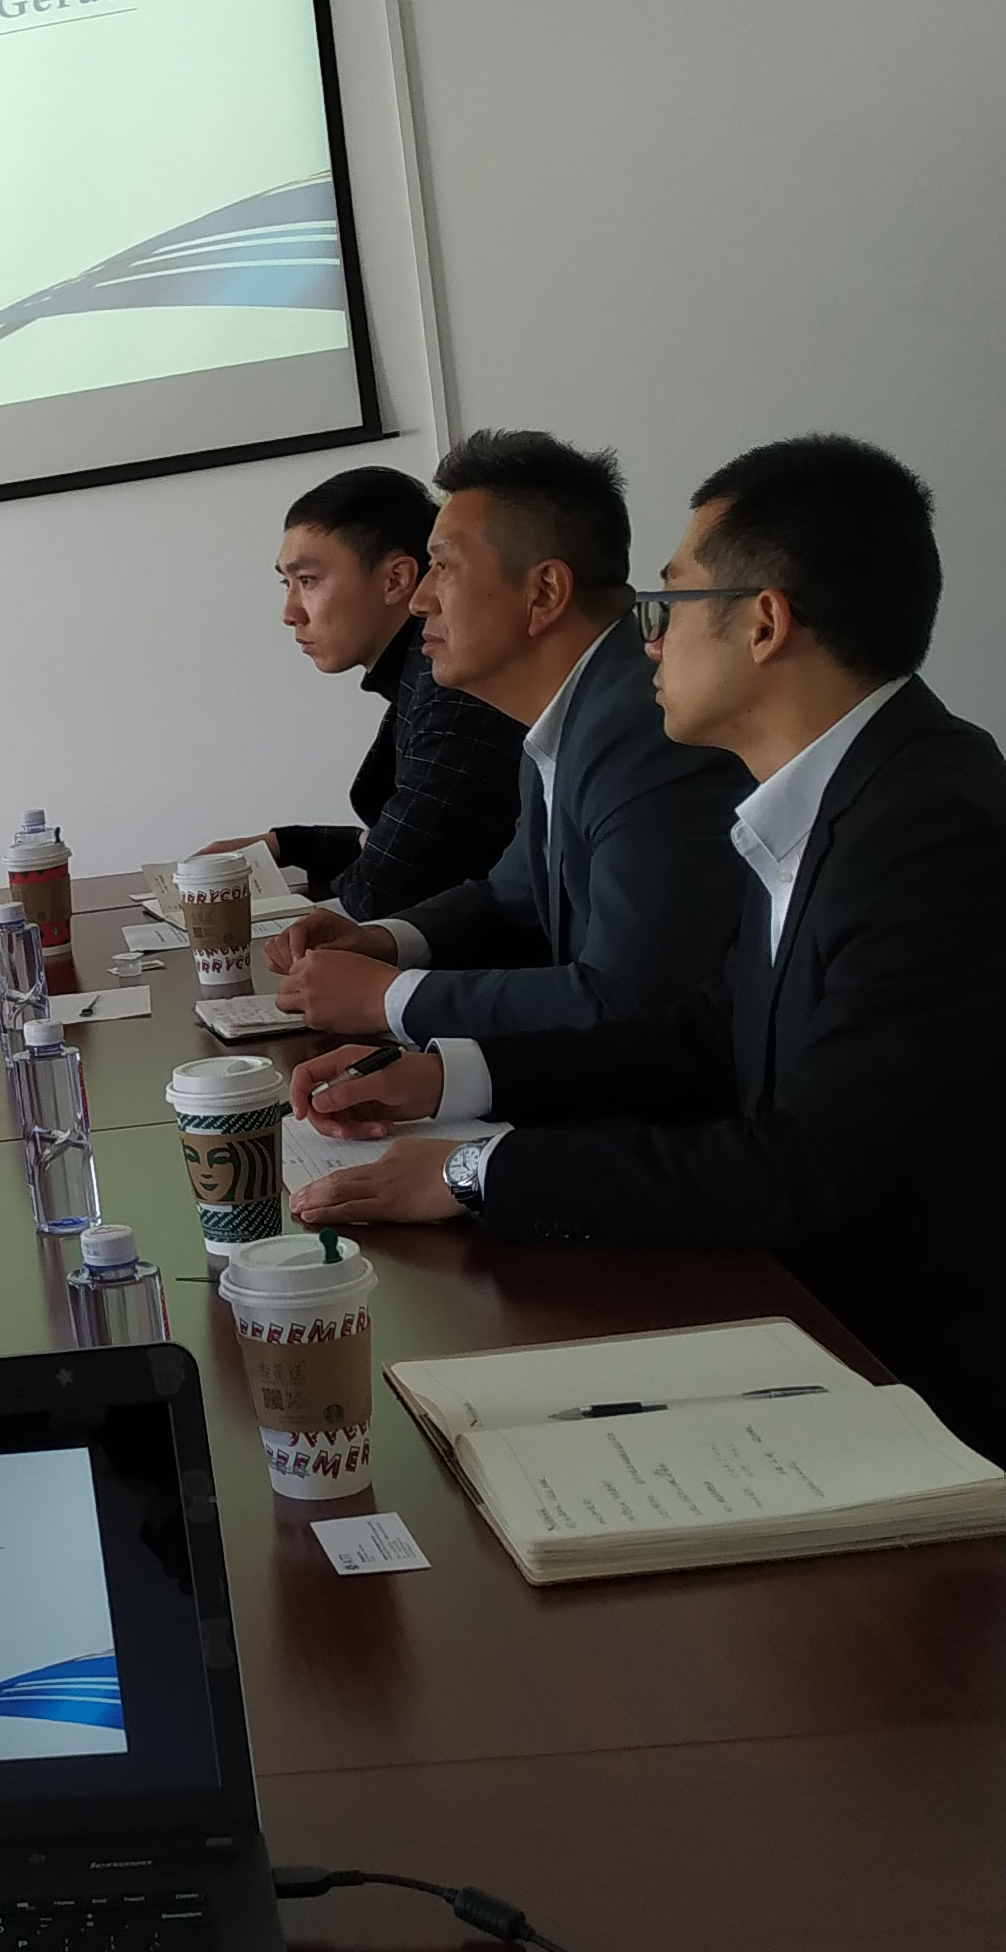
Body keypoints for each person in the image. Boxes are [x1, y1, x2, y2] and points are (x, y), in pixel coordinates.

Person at [291, 437, 1006, 1457]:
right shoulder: (838, 791)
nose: (648, 640)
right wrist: (448, 1077)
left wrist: (477, 1173)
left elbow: (812, 1168)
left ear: (765, 623)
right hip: (817, 1313)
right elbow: (710, 1032)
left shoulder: (924, 824)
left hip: (918, 1384)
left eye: (669, 605)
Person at [268, 427, 746, 1042]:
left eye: (442, 567)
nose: (420, 600)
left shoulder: (647, 732)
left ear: (544, 592)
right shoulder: (569, 710)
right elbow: (508, 897)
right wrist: (383, 940)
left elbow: (630, 999)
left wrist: (390, 1000)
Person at [255, 464, 525, 921]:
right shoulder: (418, 677)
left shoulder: (453, 687)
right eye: (287, 583)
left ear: (396, 580)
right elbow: (401, 843)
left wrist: (367, 850)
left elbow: (383, 892)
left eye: (308, 581)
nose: (290, 612)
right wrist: (290, 844)